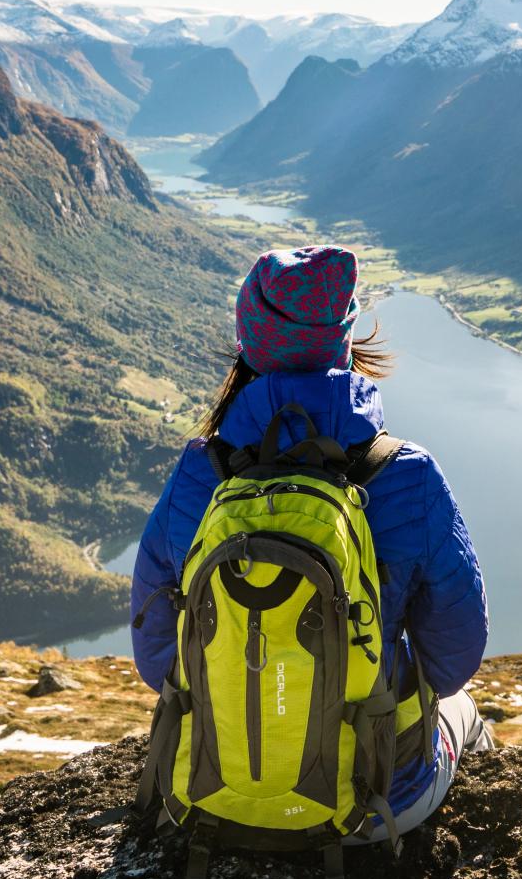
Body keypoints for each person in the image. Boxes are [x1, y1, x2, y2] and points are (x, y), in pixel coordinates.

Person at [130, 244, 491, 841]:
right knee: (465, 711)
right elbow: (453, 660)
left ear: (248, 341)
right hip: (372, 805)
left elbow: (156, 658)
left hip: (207, 793)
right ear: (344, 340)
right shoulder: (408, 476)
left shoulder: (201, 471)